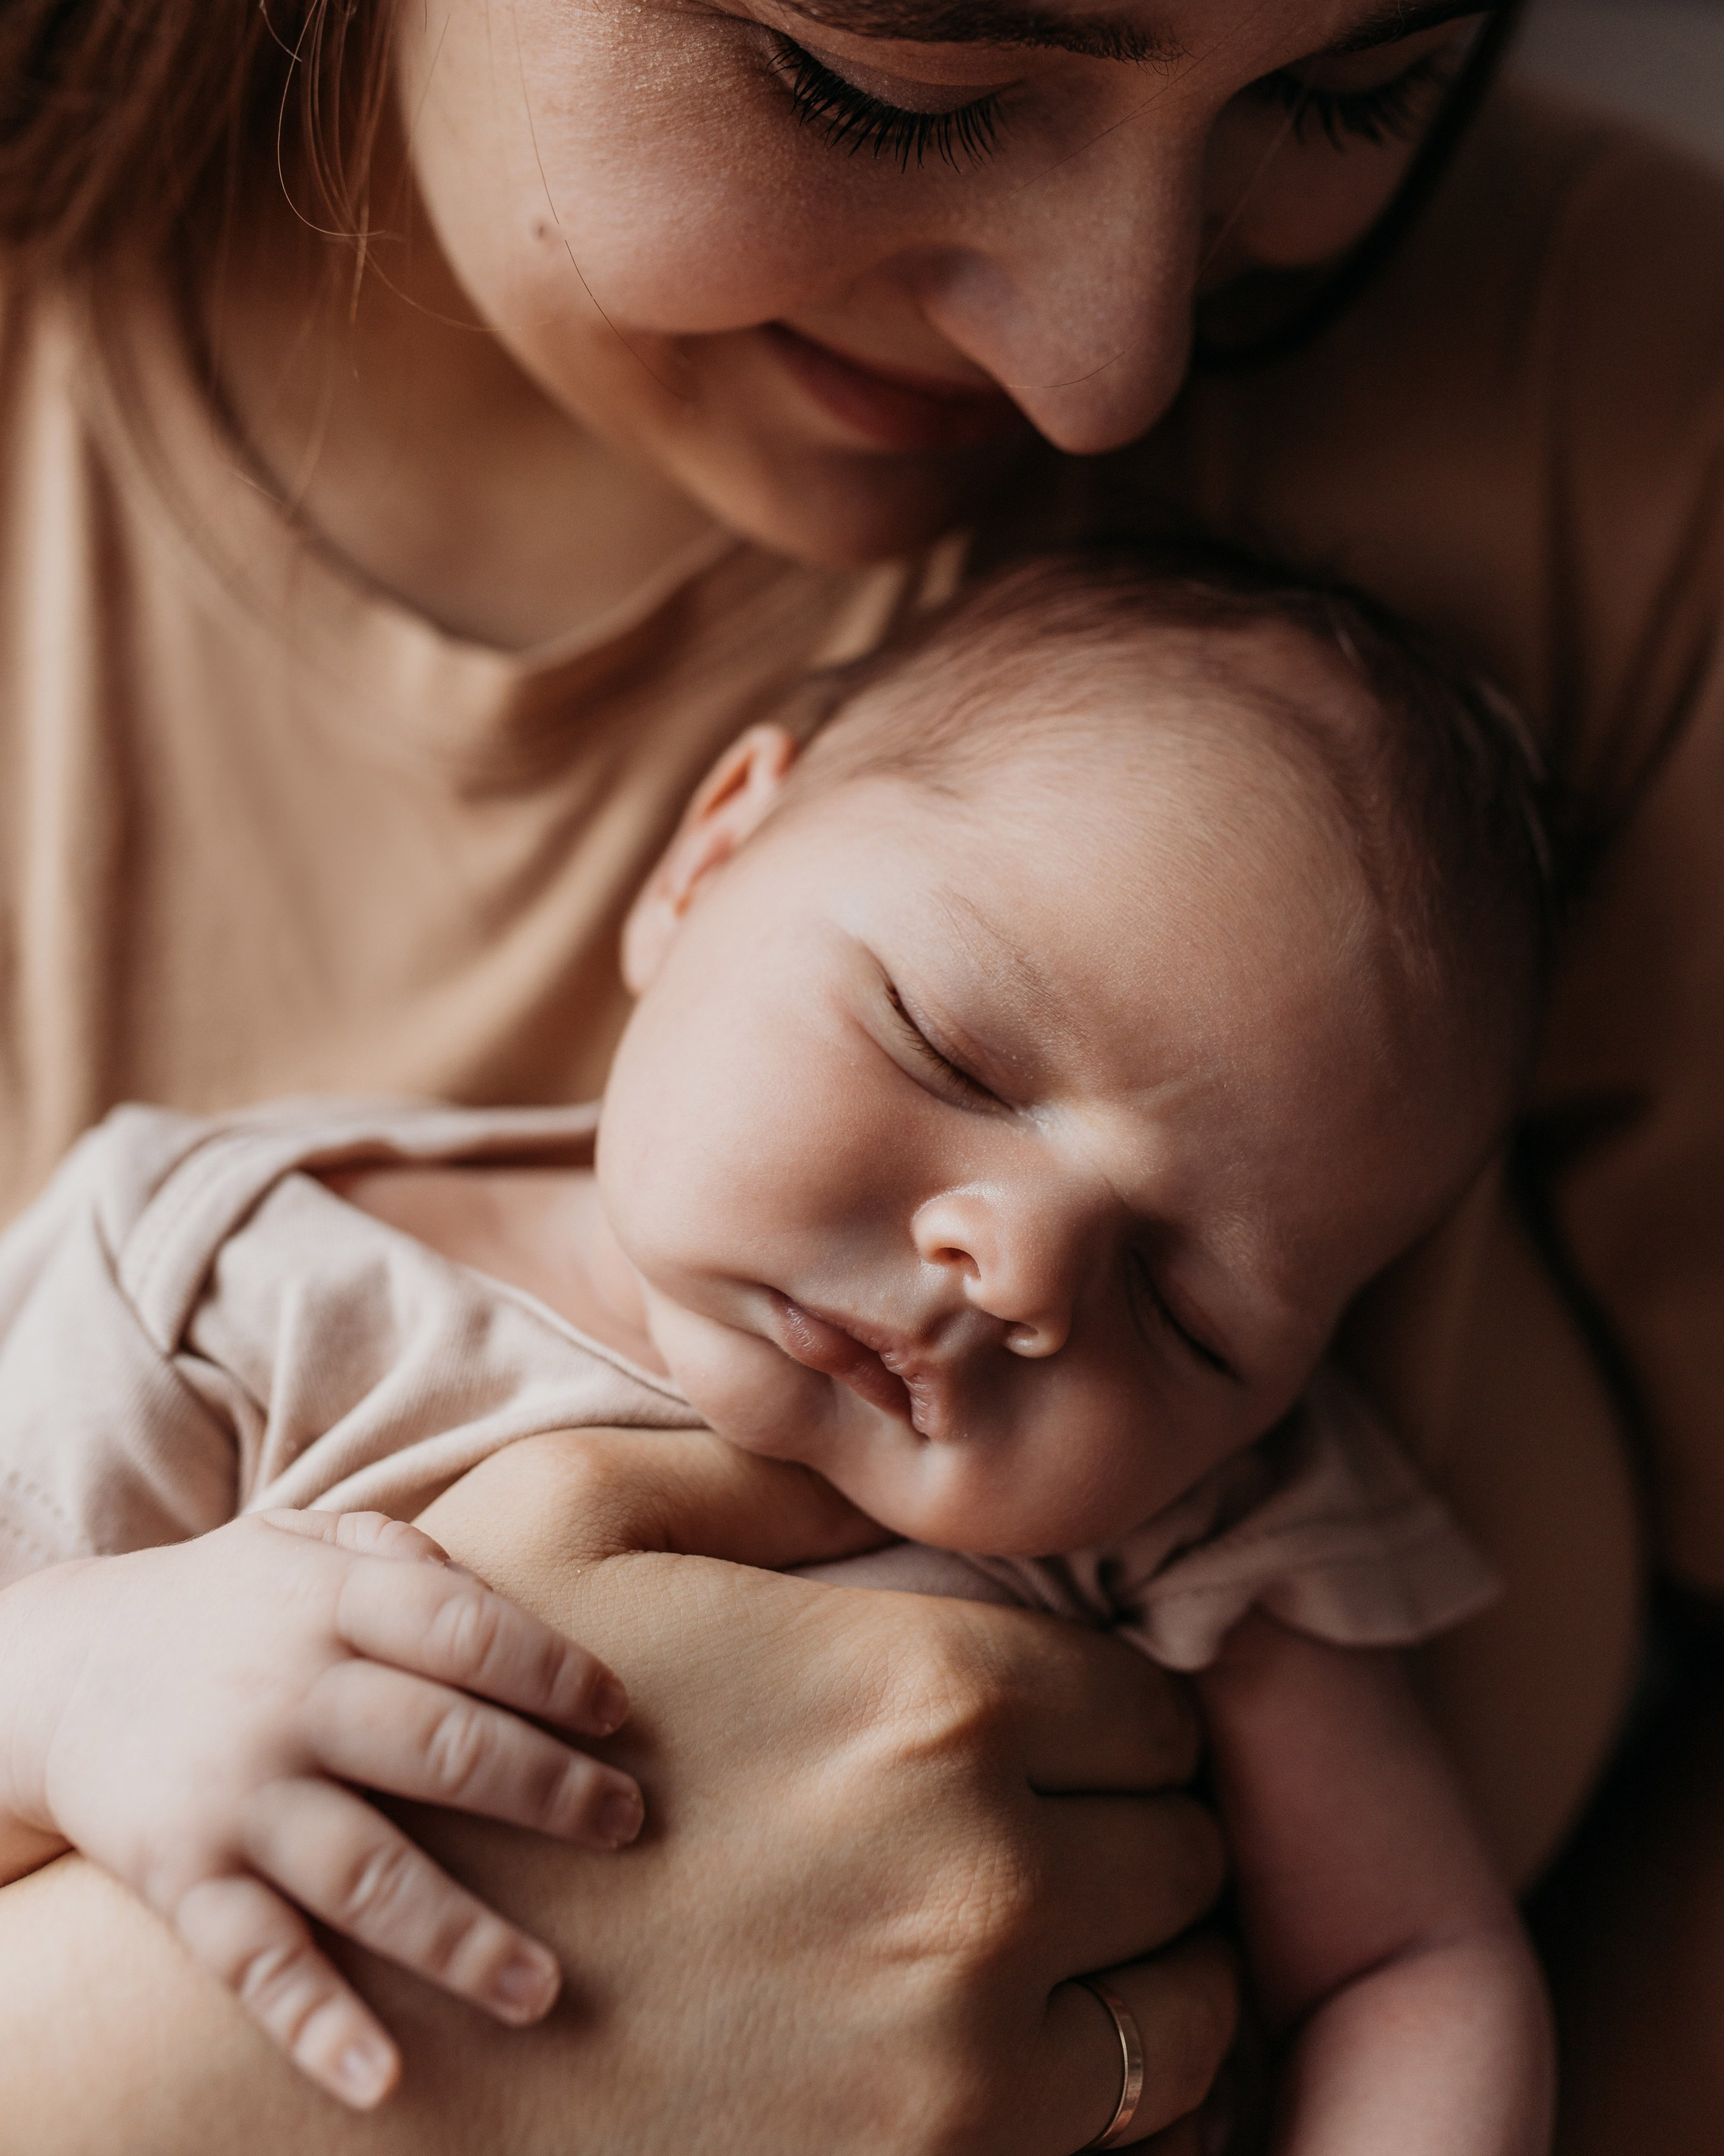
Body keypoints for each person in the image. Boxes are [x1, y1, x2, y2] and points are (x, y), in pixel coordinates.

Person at [0, 0, 1717, 2148]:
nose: (1112, 364)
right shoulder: (230, 1265)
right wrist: (174, 2071)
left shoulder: (1628, 432)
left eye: (1364, 88)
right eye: (876, 86)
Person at [0, 555, 1555, 2156]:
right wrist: (80, 1683)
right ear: (709, 851)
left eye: (1186, 1310)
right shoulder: (233, 1272)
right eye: (950, 1049)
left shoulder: (1194, 1507)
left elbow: (1407, 1967)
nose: (1016, 1266)